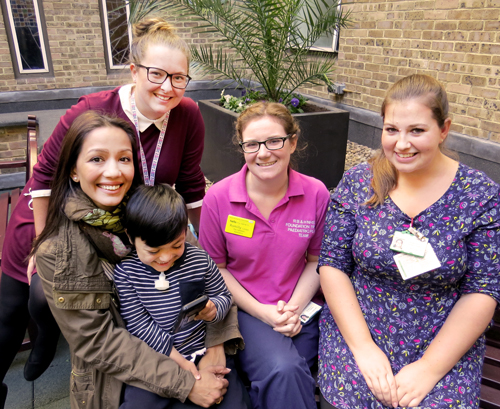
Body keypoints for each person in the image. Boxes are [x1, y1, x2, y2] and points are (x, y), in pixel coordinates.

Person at [0, 17, 208, 404]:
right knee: (24, 303)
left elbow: (192, 183)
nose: (168, 87)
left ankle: (63, 341)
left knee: (94, 299)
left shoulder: (188, 115)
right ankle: (44, 338)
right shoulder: (95, 109)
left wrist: (205, 243)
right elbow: (44, 178)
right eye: (157, 74)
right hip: (54, 215)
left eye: (179, 78)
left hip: (117, 224)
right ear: (133, 71)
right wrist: (41, 239)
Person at [32, 111, 242, 409]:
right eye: (97, 159)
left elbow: (207, 280)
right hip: (124, 376)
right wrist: (187, 382)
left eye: (124, 158)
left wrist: (216, 347)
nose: (114, 171)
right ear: (74, 170)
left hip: (195, 349)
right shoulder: (60, 252)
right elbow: (98, 342)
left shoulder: (157, 214)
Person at [318, 74, 500, 409]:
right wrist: (363, 348)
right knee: (353, 395)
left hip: (442, 339)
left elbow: (483, 289)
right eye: (392, 130)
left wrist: (430, 369)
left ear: (444, 129)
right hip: (361, 326)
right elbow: (332, 265)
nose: (401, 144)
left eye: (417, 130)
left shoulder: (479, 195)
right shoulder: (361, 182)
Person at [199, 101, 330, 409]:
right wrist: (263, 312)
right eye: (252, 144)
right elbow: (215, 270)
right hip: (246, 310)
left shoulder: (316, 193)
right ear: (242, 147)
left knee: (288, 371)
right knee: (284, 370)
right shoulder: (219, 198)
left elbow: (316, 261)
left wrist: (293, 309)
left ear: (293, 142)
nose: (263, 152)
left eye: (274, 141)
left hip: (302, 309)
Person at [115, 184, 246, 408]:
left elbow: (224, 295)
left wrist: (214, 309)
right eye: (153, 251)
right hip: (160, 360)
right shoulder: (127, 273)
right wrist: (180, 363)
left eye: (176, 245)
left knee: (233, 400)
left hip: (204, 349)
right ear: (130, 236)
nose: (165, 258)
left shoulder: (198, 259)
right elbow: (139, 325)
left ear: (185, 231)